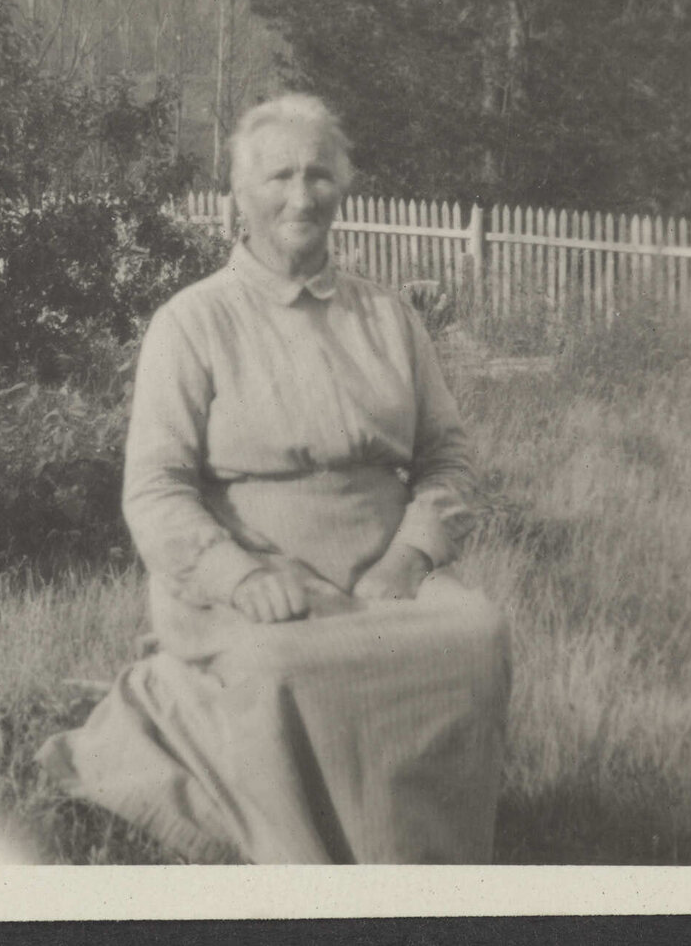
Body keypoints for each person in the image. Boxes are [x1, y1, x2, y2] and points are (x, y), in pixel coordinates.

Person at [36, 93, 511, 864]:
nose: (301, 196)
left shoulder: (390, 317)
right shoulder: (192, 322)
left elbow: (448, 457)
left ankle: (427, 864)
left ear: (344, 189)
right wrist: (234, 572)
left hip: (382, 576)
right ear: (239, 199)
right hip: (249, 577)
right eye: (279, 176)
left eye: (319, 175)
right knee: (283, 662)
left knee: (478, 632)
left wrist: (410, 555)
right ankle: (311, 866)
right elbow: (154, 489)